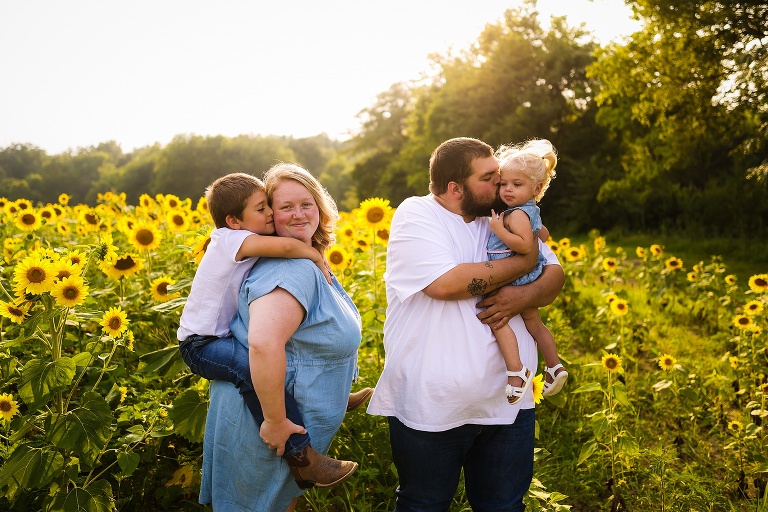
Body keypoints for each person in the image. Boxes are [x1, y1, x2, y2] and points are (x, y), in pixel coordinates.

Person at [367, 137, 565, 511]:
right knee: (424, 504)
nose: (502, 182)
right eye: (490, 177)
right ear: (456, 188)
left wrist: (519, 296)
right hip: (433, 405)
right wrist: (524, 265)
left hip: (508, 405)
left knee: (504, 506)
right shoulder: (417, 214)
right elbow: (445, 284)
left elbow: (555, 277)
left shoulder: (509, 214)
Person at [178, 172, 370, 490]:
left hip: (215, 337)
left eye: (269, 206)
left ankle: (333, 394)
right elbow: (284, 248)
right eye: (264, 208)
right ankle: (298, 452)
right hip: (201, 343)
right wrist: (311, 253)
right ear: (233, 220)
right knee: (251, 369)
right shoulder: (231, 238)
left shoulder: (240, 241)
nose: (269, 214)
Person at [487, 139, 568, 404]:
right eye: (504, 184)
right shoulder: (530, 210)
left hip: (514, 277)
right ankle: (554, 366)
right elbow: (543, 234)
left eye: (516, 184)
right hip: (529, 275)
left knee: (498, 320)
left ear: (537, 188)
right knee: (534, 323)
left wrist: (500, 231)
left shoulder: (516, 215)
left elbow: (524, 245)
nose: (507, 190)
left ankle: (516, 370)